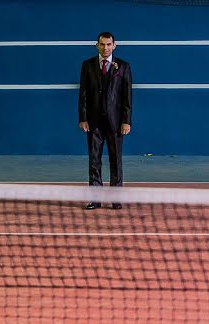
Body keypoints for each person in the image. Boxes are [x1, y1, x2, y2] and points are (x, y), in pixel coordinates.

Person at [79, 31, 133, 209]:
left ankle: (116, 199)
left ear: (114, 45)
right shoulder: (87, 65)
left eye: (109, 44)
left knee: (115, 160)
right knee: (94, 161)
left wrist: (126, 121)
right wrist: (83, 118)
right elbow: (83, 95)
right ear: (97, 45)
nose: (106, 47)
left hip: (116, 123)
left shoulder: (124, 67)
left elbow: (127, 97)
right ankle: (95, 199)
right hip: (93, 123)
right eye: (102, 44)